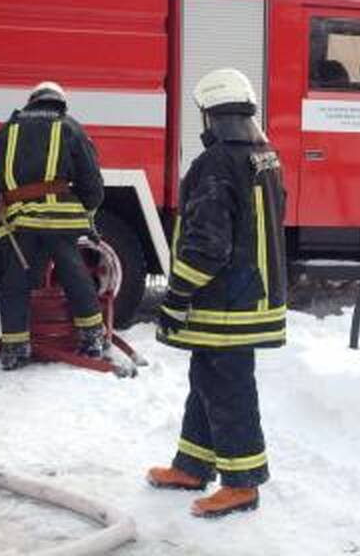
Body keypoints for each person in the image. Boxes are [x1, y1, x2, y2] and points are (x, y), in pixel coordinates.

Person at [146, 68, 287, 518]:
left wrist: (177, 297)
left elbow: (208, 245)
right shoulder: (265, 155)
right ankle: (192, 464)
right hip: (248, 296)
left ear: (209, 114)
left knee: (228, 388)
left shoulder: (215, 164)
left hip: (226, 303)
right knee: (206, 378)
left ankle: (242, 484)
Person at [0, 81, 105, 371]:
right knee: (74, 275)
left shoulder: (5, 131)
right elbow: (91, 181)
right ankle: (92, 338)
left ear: (32, 102)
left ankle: (15, 349)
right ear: (59, 102)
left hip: (18, 221)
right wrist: (88, 205)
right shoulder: (70, 127)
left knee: (14, 283)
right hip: (60, 220)